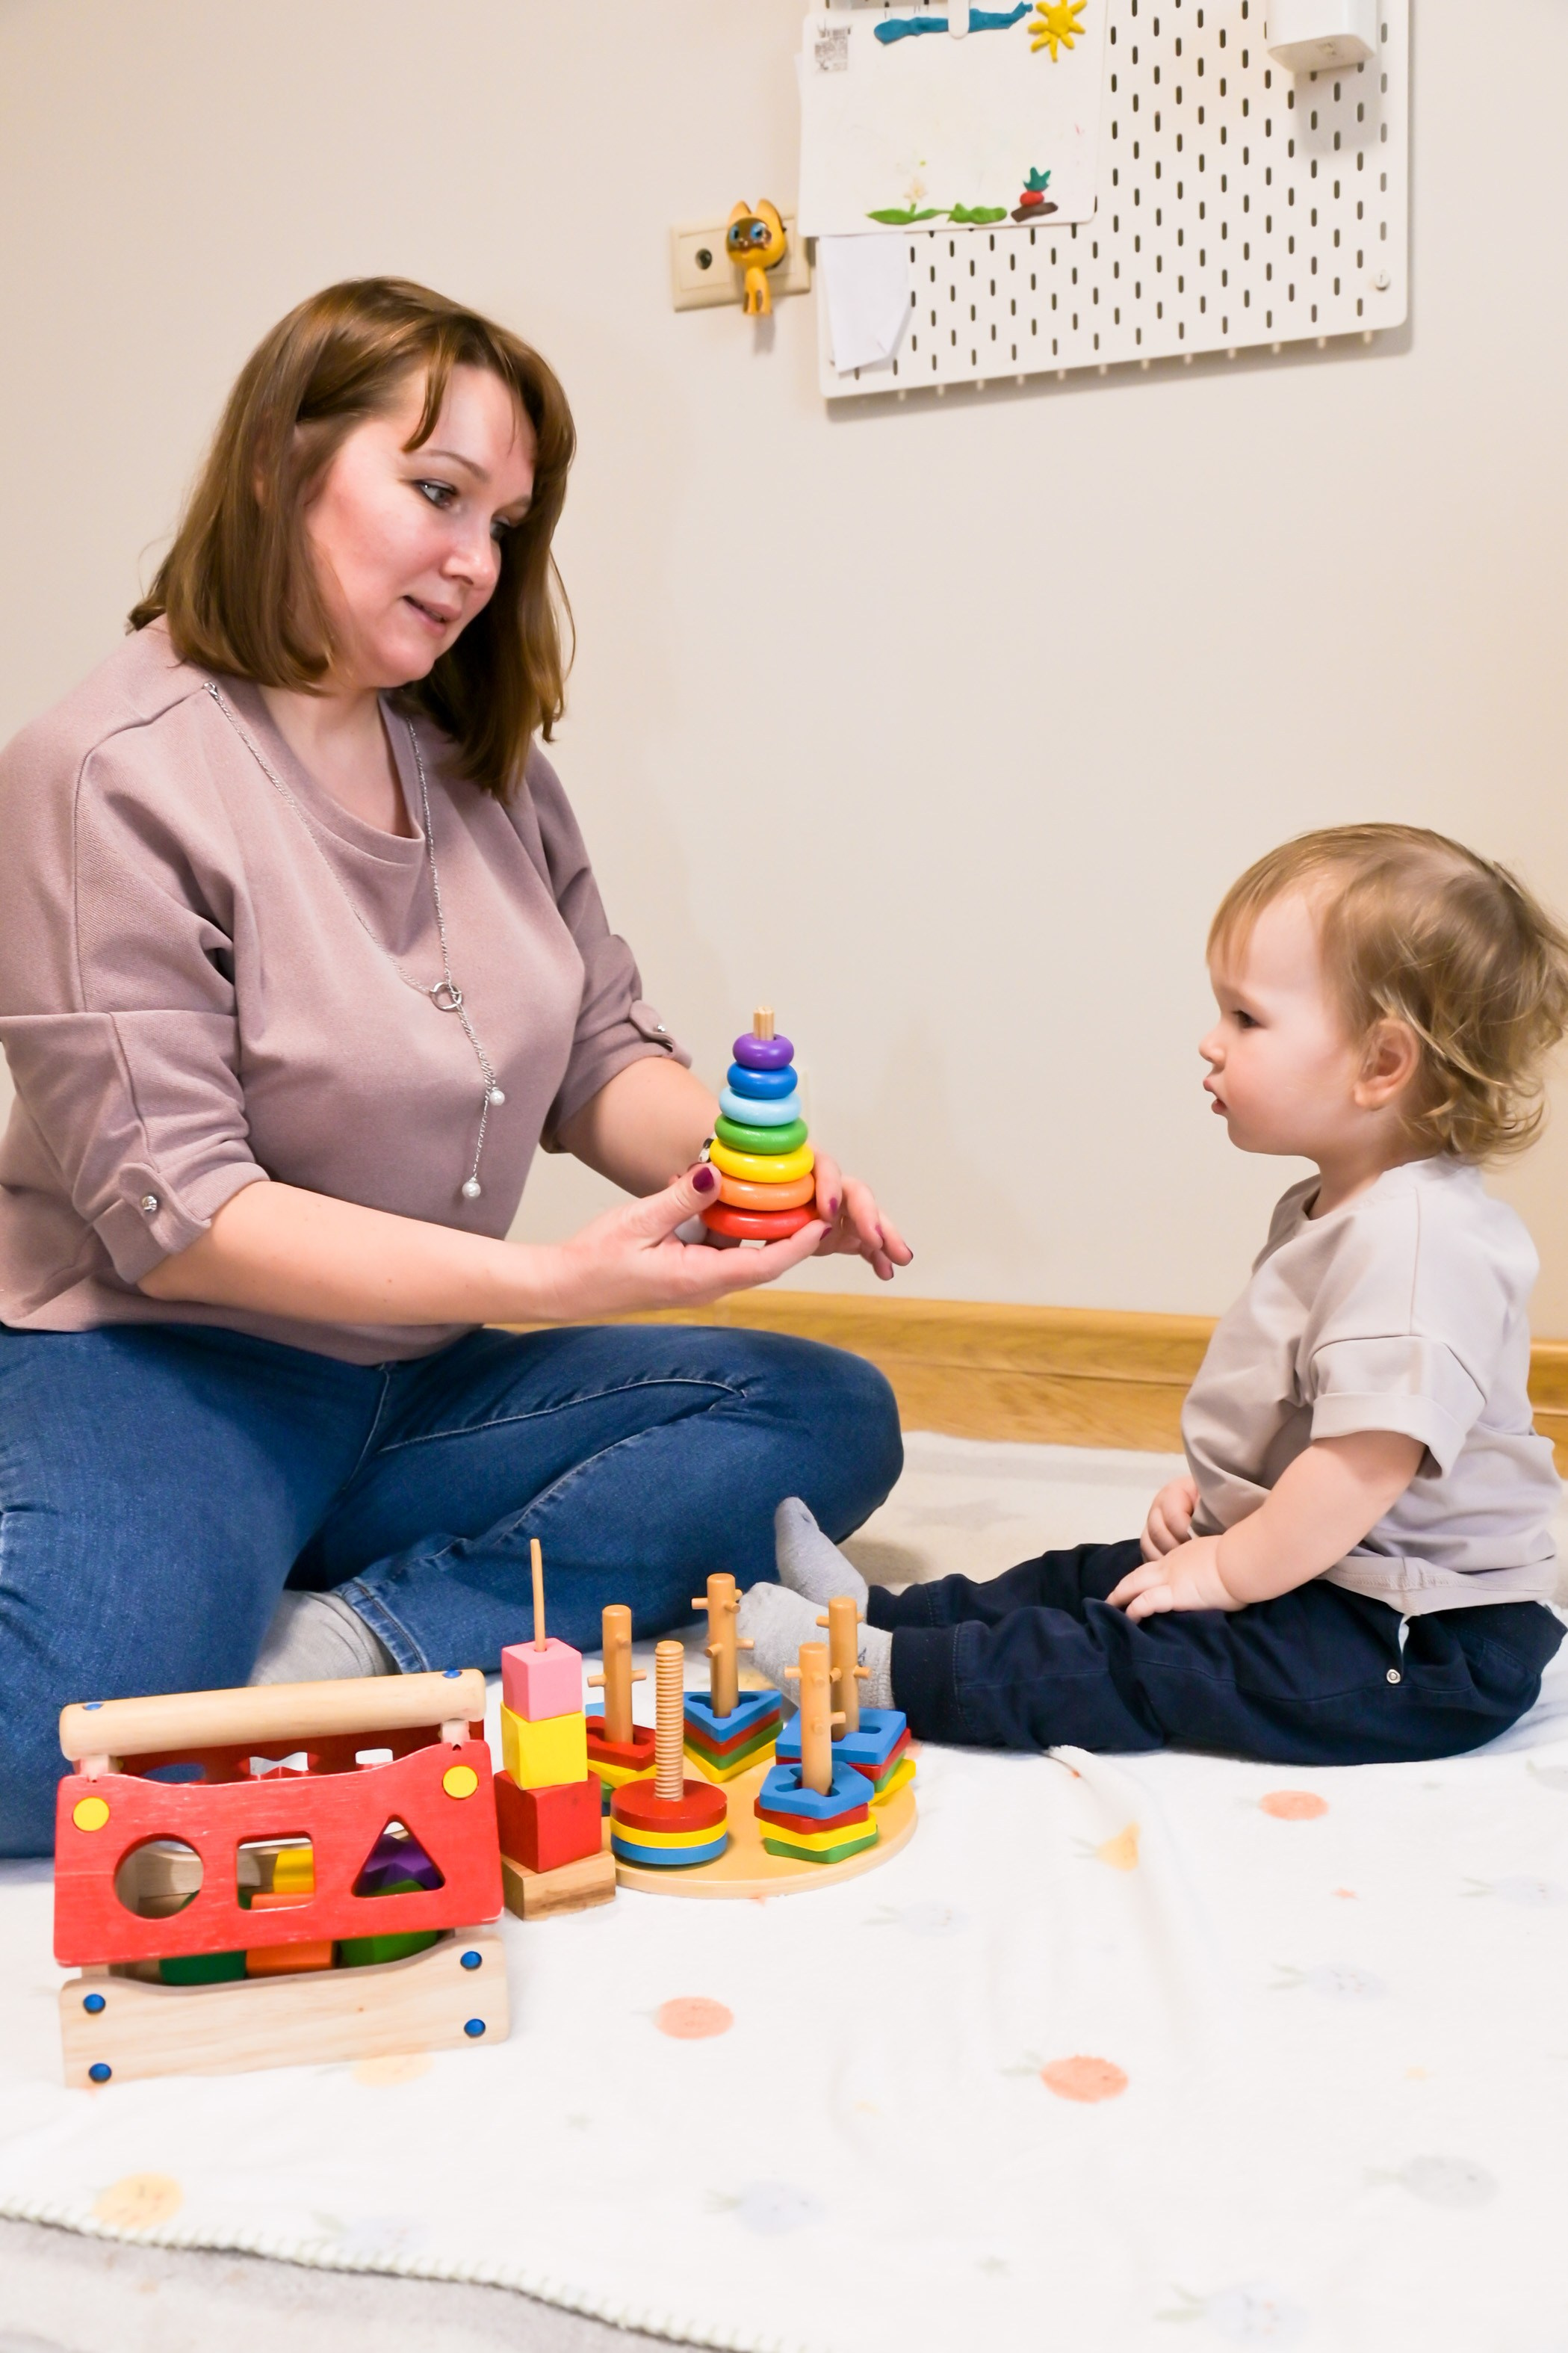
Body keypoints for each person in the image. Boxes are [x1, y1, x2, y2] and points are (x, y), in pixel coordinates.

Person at [0, 277, 908, 1856]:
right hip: (164, 1359)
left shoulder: (486, 766)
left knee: (825, 1417)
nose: (476, 561)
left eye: (503, 520)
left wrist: (758, 1166)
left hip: (415, 1372)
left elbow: (595, 1062)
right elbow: (184, 1213)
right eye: (434, 493)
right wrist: (556, 1282)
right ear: (282, 464)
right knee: (46, 1752)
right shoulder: (104, 773)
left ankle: (356, 1644)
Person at [745, 825, 1568, 1764]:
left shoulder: (1420, 1246)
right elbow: (1312, 1422)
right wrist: (1226, 1506)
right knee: (1092, 1576)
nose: (1210, 1043)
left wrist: (1226, 1562)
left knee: (1143, 1656)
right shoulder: (1343, 1210)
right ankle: (878, 1613)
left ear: (1381, 1064)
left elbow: (1359, 1470)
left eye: (1247, 1018)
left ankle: (891, 1676)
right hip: (1339, 1571)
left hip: (1417, 1640)